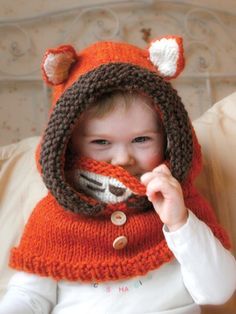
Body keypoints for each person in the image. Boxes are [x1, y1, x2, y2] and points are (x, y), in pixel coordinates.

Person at [0, 37, 235, 314]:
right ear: (68, 145)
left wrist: (180, 223)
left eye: (141, 139)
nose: (123, 158)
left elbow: (219, 291)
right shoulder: (54, 216)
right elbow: (29, 297)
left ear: (169, 140)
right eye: (101, 142)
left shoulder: (180, 205)